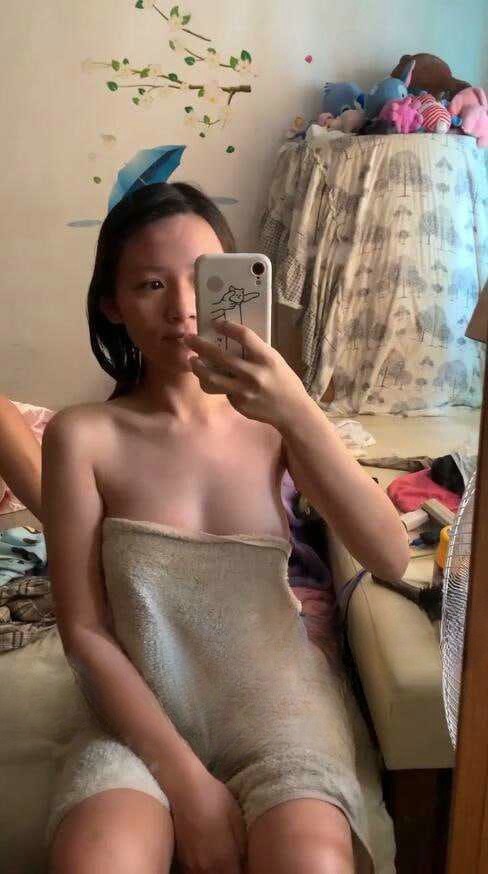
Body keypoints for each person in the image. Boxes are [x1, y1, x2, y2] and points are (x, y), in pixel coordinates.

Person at [40, 181, 409, 874]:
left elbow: (389, 555)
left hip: (283, 712)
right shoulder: (83, 437)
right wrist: (187, 787)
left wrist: (296, 409)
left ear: (240, 285)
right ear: (111, 304)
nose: (183, 309)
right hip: (139, 718)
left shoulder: (277, 425)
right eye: (151, 284)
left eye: (204, 280)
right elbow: (84, 632)